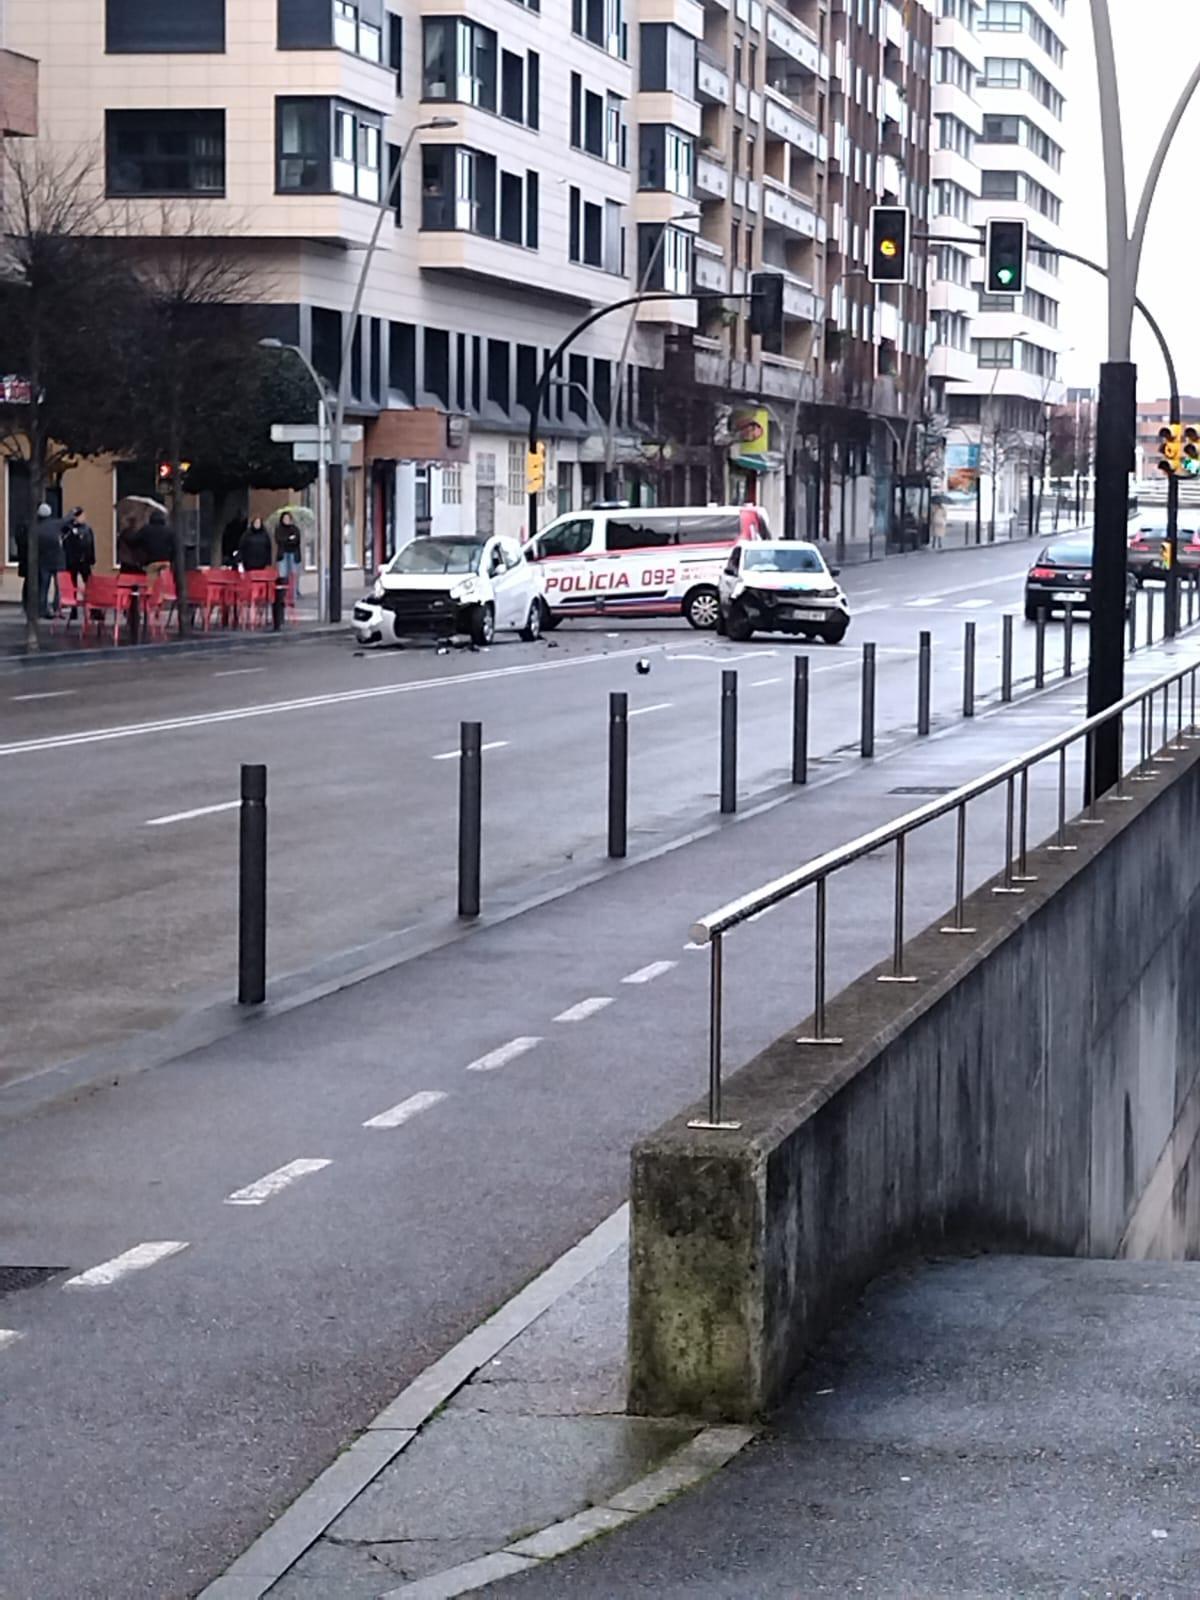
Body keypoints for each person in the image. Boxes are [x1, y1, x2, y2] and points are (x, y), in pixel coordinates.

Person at [35, 503, 63, 619]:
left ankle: (42, 609)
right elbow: (66, 520)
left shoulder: (37, 528)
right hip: (57, 561)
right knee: (59, 587)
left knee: (44, 587)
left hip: (44, 562)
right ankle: (57, 608)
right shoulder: (56, 525)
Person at [61, 506, 96, 593]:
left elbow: (91, 544)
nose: (83, 518)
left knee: (88, 581)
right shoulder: (68, 529)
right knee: (72, 582)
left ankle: (90, 600)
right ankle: (73, 602)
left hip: (85, 560)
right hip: (72, 560)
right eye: (80, 516)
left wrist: (92, 559)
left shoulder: (87, 529)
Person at [275, 511, 302, 597]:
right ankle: (284, 594)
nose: (286, 520)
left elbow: (296, 541)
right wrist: (289, 539)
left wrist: (286, 540)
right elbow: (279, 540)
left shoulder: (295, 529)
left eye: (288, 518)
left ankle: (294, 593)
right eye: (284, 518)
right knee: (283, 574)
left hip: (293, 554)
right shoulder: (279, 529)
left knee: (293, 574)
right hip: (283, 555)